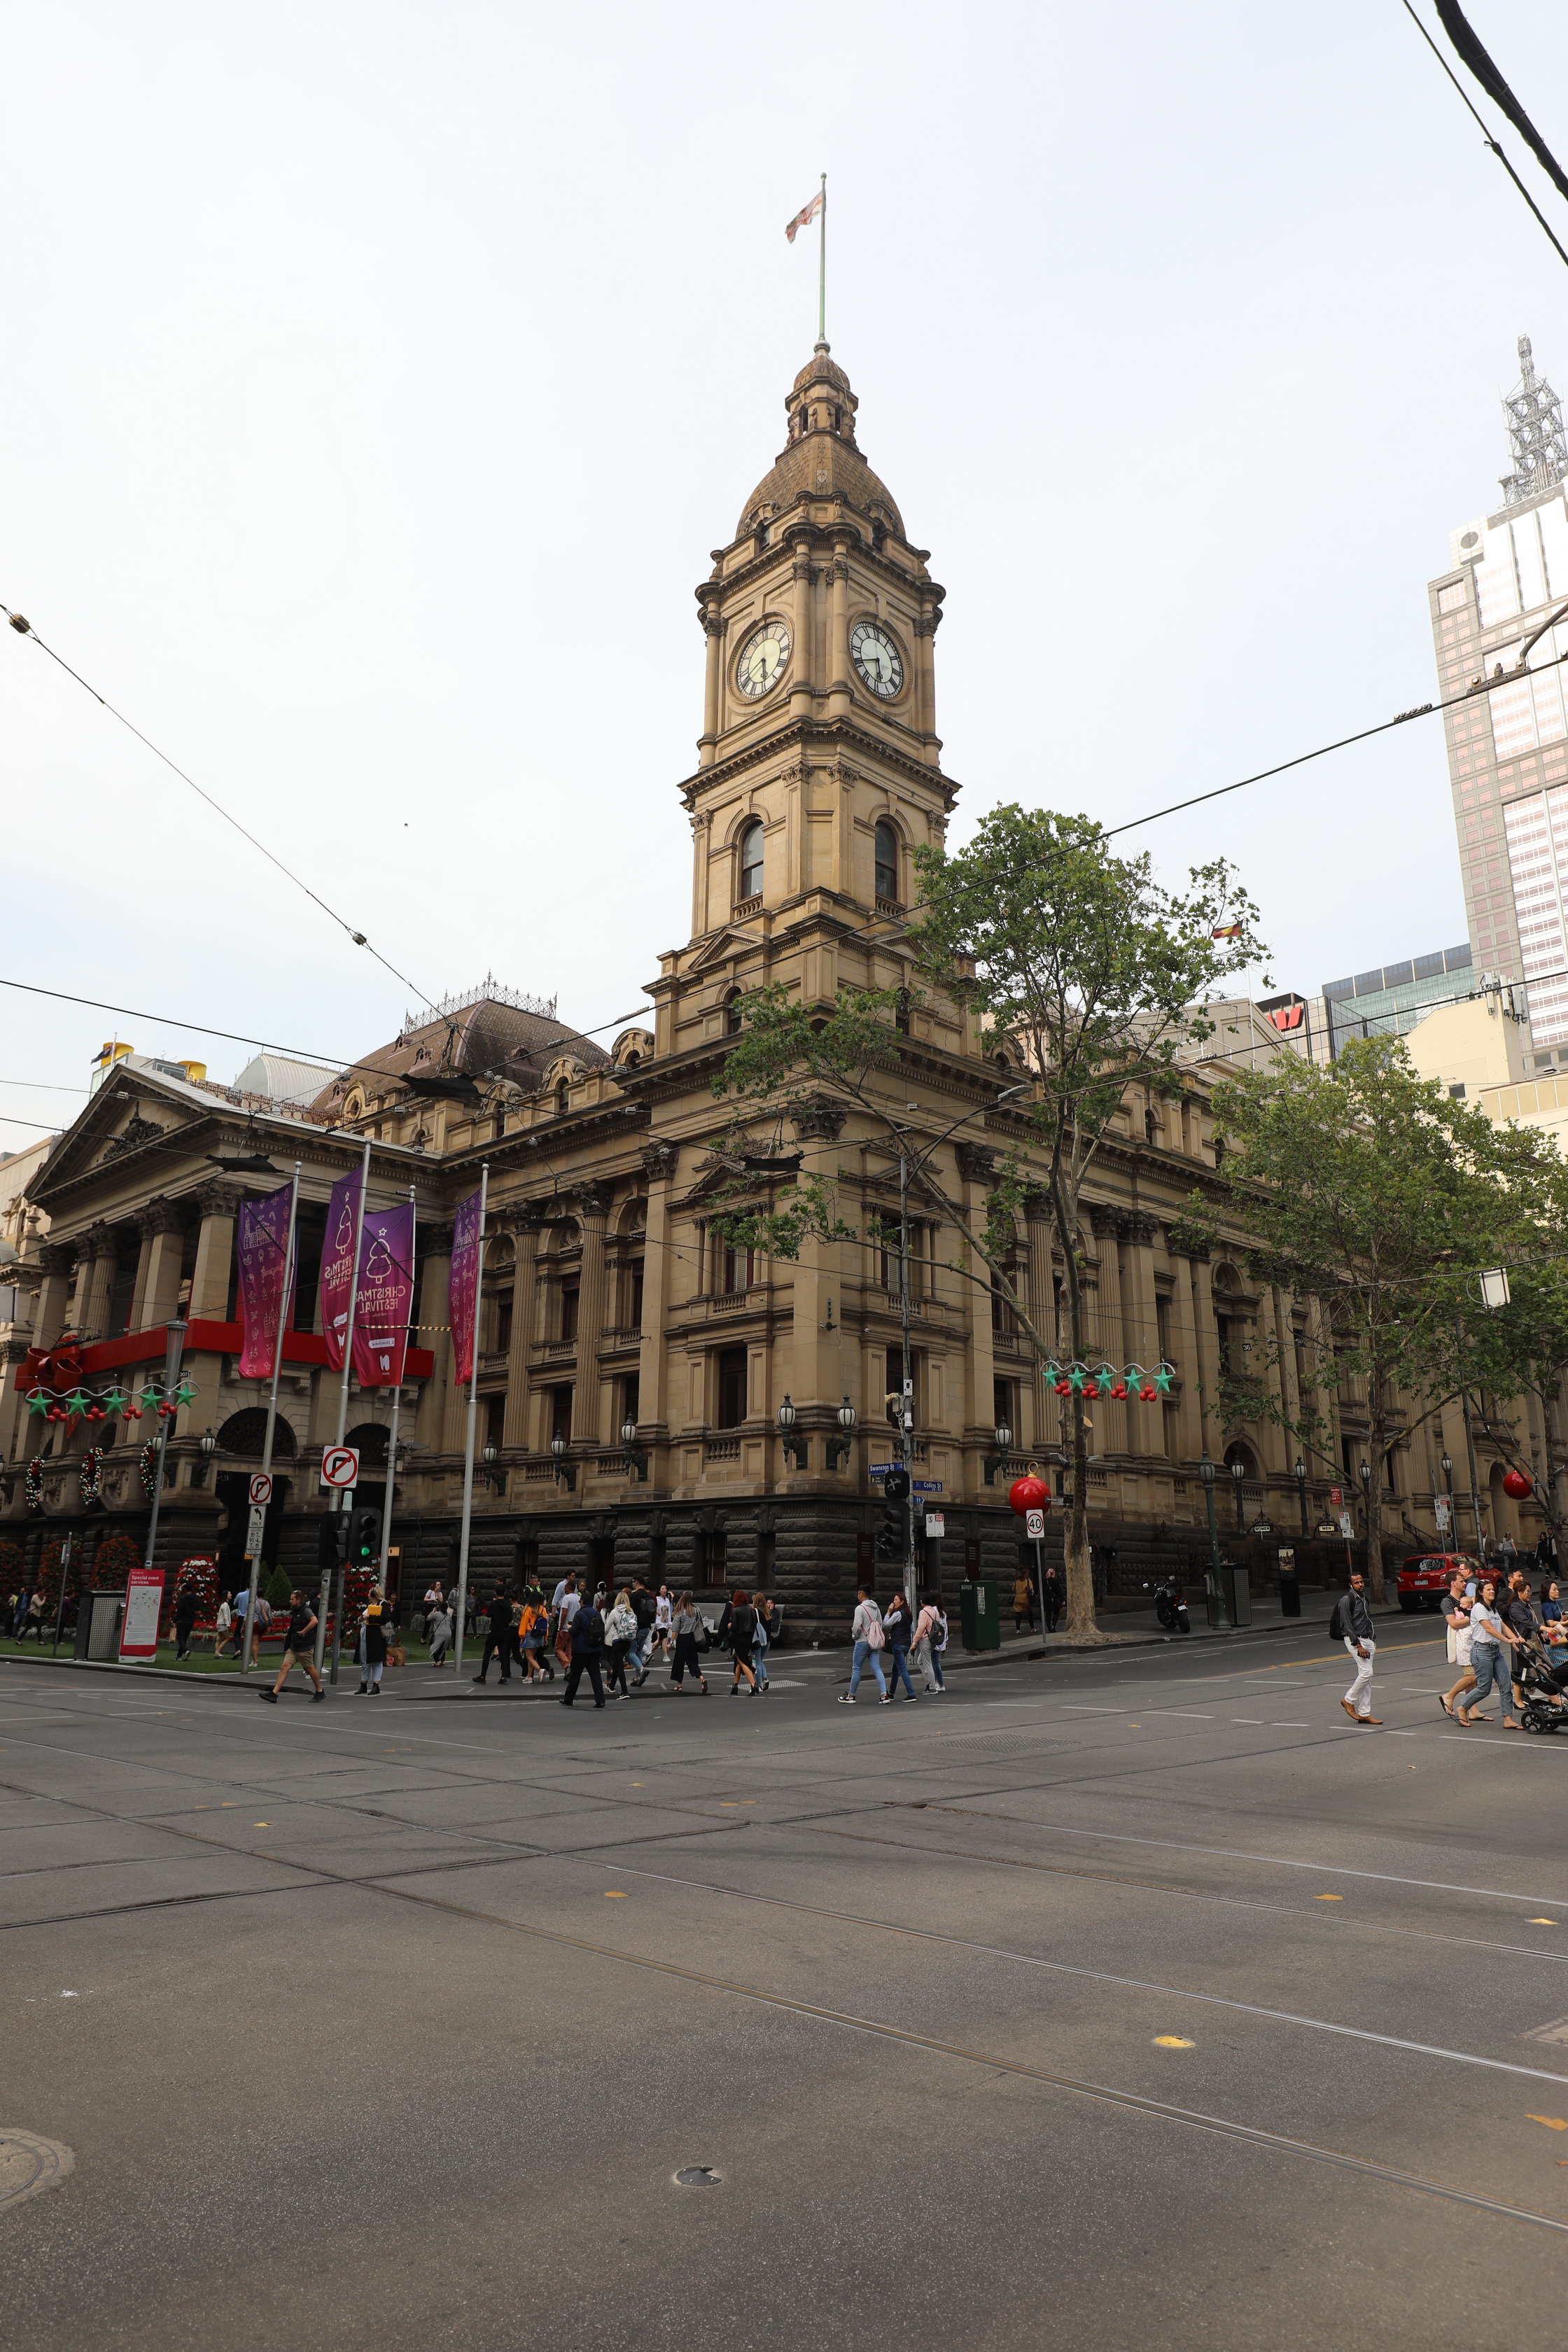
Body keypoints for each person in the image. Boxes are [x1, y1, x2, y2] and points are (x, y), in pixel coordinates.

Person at [1457, 1578, 1522, 1728]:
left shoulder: (1493, 1609)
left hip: (1495, 1651)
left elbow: (1503, 1626)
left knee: (1506, 1684)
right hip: (1482, 1652)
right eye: (1488, 1590)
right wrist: (1508, 1641)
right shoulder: (1479, 1608)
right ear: (1481, 1592)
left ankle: (1508, 1719)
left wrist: (1516, 1640)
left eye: (1493, 1589)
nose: (1492, 1591)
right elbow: (1489, 1629)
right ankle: (1463, 1707)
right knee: (1484, 1688)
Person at [260, 1590, 324, 1702]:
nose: (290, 1601)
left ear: (299, 1600)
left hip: (304, 1646)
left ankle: (319, 1691)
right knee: (285, 1666)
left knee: (310, 1669)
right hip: (295, 1646)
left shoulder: (306, 1610)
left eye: (292, 1599)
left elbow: (315, 1621)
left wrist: (304, 1631)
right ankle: (274, 1693)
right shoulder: (297, 1611)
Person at [1334, 1572, 1380, 1726]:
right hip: (1356, 1641)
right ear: (1350, 1585)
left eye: (1361, 1582)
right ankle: (1348, 1700)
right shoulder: (1347, 1600)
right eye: (1356, 1583)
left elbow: (1366, 1620)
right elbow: (1347, 1625)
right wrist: (1358, 1645)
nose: (1360, 1585)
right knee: (1367, 1672)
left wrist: (1371, 1640)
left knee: (1367, 1678)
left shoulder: (1364, 1598)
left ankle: (1365, 1713)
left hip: (1368, 1640)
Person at [839, 1586, 889, 1704]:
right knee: (877, 1668)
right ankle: (884, 1695)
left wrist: (854, 1636)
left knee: (856, 1669)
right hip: (874, 1642)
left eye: (858, 1594)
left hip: (862, 1641)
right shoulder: (876, 1608)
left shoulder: (860, 1609)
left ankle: (852, 1696)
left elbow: (856, 1627)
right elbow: (880, 1624)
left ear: (861, 1594)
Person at [561, 1588, 606, 1707]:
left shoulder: (580, 1614)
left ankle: (568, 1699)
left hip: (581, 1650)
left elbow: (574, 1631)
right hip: (596, 1648)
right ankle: (600, 1700)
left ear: (581, 1602)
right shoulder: (597, 1614)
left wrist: (569, 1627)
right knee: (595, 1675)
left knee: (575, 1675)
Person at [1439, 1572, 1476, 1719]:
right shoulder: (1447, 1602)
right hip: (1460, 1643)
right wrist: (1472, 1619)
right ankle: (1449, 1696)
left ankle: (1472, 1710)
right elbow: (1453, 1623)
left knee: (1472, 1678)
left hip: (1470, 1641)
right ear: (1453, 1583)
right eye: (1461, 1581)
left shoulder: (1465, 1600)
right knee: (1472, 1675)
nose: (1465, 1583)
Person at [881, 1589, 918, 1701]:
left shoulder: (897, 1614)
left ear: (902, 1602)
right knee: (895, 1669)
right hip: (906, 1644)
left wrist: (888, 1612)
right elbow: (912, 1630)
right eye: (894, 1600)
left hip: (898, 1644)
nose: (894, 1602)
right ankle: (891, 1693)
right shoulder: (908, 1614)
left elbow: (885, 1625)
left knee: (902, 1669)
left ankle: (911, 1693)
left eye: (896, 1600)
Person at [668, 1590, 708, 1694]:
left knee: (679, 1662)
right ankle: (702, 1678)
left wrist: (671, 1642)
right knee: (692, 1661)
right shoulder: (696, 1610)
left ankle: (679, 1685)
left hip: (683, 1638)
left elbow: (675, 1630)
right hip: (692, 1638)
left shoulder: (680, 1612)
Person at [603, 1588, 638, 1699]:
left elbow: (606, 1629)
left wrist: (600, 1638)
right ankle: (612, 1686)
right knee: (617, 1664)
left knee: (619, 1667)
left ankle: (625, 1691)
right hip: (627, 1642)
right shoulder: (631, 1611)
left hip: (617, 1642)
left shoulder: (614, 1612)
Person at [475, 1584, 513, 1684]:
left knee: (487, 1653)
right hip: (505, 1632)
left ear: (496, 1593)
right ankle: (504, 1677)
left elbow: (489, 1615)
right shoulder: (508, 1605)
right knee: (504, 1655)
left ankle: (483, 1676)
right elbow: (510, 1618)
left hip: (495, 1631)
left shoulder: (493, 1604)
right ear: (504, 1593)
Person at [359, 1583, 390, 1695]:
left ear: (373, 1595)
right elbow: (363, 1617)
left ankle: (376, 1685)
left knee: (376, 1660)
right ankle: (363, 1684)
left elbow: (386, 1618)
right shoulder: (369, 1604)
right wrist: (361, 1618)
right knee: (365, 1659)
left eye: (369, 1593)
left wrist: (370, 1618)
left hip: (376, 1635)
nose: (367, 1595)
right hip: (365, 1633)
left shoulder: (383, 1604)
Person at [911, 1595, 946, 1692]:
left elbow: (921, 1627)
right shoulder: (934, 1612)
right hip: (933, 1640)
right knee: (921, 1661)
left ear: (923, 1601)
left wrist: (915, 1641)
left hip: (925, 1639)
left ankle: (932, 1687)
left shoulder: (923, 1612)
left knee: (927, 1663)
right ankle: (929, 1683)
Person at [727, 1588, 757, 1695]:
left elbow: (734, 1626)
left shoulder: (735, 1610)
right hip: (748, 1637)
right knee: (739, 1661)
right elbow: (754, 1625)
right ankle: (735, 1686)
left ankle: (754, 1685)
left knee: (743, 1661)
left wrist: (730, 1626)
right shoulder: (750, 1610)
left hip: (739, 1637)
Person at [629, 1577, 658, 1685]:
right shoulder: (649, 1595)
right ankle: (637, 1676)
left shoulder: (634, 1595)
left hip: (636, 1627)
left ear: (636, 1583)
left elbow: (630, 1611)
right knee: (639, 1652)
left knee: (631, 1652)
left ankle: (641, 1669)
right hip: (647, 1627)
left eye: (633, 1582)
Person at [173, 1579, 200, 1662]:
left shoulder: (183, 1599)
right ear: (192, 1589)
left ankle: (185, 1650)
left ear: (185, 1589)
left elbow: (180, 1610)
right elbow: (198, 1609)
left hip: (182, 1620)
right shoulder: (196, 1599)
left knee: (181, 1638)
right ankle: (179, 1656)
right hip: (191, 1620)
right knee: (184, 1638)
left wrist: (175, 1620)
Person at [750, 1590, 771, 1692]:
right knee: (760, 1660)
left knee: (756, 1662)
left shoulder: (755, 1611)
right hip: (766, 1640)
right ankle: (765, 1678)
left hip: (757, 1640)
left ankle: (758, 1685)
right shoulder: (766, 1611)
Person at [426, 1599, 453, 1668]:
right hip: (449, 1634)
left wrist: (432, 1612)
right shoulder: (448, 1616)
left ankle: (437, 1662)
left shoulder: (436, 1614)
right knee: (443, 1648)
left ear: (440, 1607)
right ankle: (443, 1661)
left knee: (435, 1648)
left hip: (440, 1633)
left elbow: (428, 1619)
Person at [1011, 1569, 1035, 1634]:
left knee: (1018, 1615)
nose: (1028, 1575)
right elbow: (1031, 1588)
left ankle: (1018, 1630)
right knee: (1030, 1613)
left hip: (1017, 1599)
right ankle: (1032, 1629)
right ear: (1025, 1574)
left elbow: (1013, 1589)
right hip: (1025, 1599)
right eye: (1027, 1574)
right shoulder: (1028, 1580)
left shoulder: (1017, 1581)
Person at [654, 1583, 673, 1660]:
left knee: (660, 1641)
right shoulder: (657, 1600)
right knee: (665, 1638)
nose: (664, 1590)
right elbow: (656, 1610)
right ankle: (665, 1656)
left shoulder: (667, 1600)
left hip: (665, 1622)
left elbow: (669, 1612)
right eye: (663, 1589)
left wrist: (669, 1623)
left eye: (665, 1589)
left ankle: (649, 1653)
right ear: (659, 1590)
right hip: (659, 1622)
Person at [1042, 1564, 1063, 1636]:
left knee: (1048, 1614)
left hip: (1046, 1600)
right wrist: (1063, 1599)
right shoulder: (1055, 1581)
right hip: (1054, 1600)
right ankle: (1053, 1626)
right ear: (1053, 1574)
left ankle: (1049, 1629)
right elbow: (1059, 1592)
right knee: (1056, 1613)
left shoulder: (1044, 1581)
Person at [212, 1593, 233, 1658]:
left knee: (219, 1639)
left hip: (220, 1624)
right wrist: (228, 1624)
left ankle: (217, 1654)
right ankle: (218, 1652)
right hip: (222, 1624)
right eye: (229, 1594)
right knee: (227, 1638)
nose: (231, 1595)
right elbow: (225, 1615)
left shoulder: (223, 1604)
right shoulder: (225, 1604)